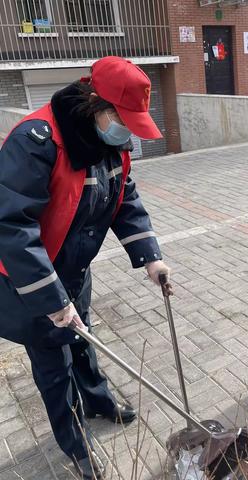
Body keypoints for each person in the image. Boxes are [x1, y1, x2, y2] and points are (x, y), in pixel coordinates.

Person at [0, 56, 171, 479]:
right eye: (122, 119)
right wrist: (52, 300)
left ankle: (98, 400)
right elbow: (11, 224)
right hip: (29, 280)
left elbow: (124, 198)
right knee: (55, 364)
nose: (126, 131)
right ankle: (75, 443)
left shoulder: (110, 142)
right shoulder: (37, 141)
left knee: (83, 341)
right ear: (95, 103)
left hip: (74, 269)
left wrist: (150, 255)